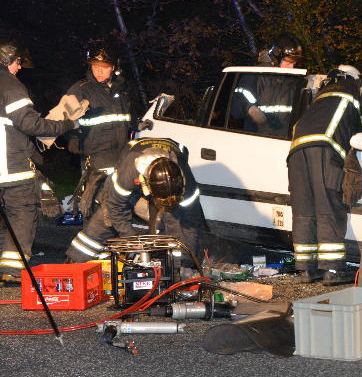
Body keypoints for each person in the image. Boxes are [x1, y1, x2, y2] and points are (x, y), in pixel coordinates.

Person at [287, 64, 362, 285]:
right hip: (324, 148)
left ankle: (306, 270)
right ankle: (332, 270)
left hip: (296, 152)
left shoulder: (324, 94)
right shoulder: (354, 87)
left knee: (304, 211)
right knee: (328, 208)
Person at [0, 42, 78, 284]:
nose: (19, 68)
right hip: (10, 167)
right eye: (17, 63)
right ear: (10, 61)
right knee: (21, 212)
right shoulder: (11, 86)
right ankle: (12, 270)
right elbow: (31, 124)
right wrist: (67, 125)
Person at [65, 137, 207, 266]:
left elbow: (190, 223)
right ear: (148, 186)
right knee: (104, 219)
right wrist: (132, 240)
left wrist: (187, 261)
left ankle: (176, 267)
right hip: (132, 172)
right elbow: (116, 207)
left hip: (169, 174)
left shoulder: (185, 182)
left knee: (176, 221)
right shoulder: (129, 172)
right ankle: (75, 262)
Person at [65, 47, 132, 218]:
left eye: (104, 67)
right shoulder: (81, 89)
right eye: (95, 66)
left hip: (120, 157)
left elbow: (125, 120)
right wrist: (72, 138)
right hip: (95, 159)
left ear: (115, 68)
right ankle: (93, 242)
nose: (99, 71)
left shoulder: (122, 91)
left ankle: (113, 243)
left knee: (117, 208)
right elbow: (63, 119)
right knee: (95, 209)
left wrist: (138, 125)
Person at [234, 33, 305, 136]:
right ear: (276, 58)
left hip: (285, 140)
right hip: (258, 139)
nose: (292, 67)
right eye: (289, 62)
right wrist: (250, 109)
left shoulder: (293, 81)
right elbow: (236, 107)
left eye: (295, 63)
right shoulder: (256, 76)